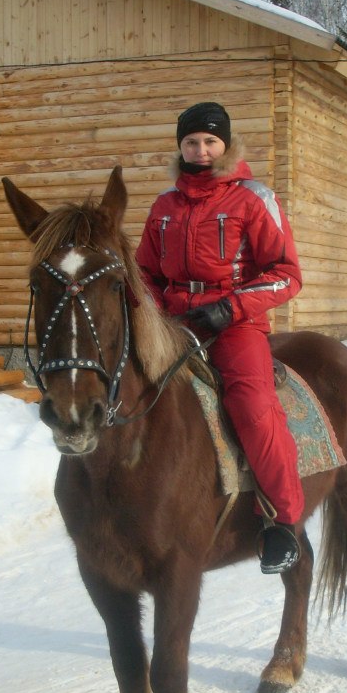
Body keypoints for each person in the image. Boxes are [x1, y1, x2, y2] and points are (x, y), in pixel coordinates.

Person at [135, 101, 305, 573]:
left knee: (252, 407)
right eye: (192, 142)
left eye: (210, 141)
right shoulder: (165, 206)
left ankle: (281, 522)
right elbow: (143, 271)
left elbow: (286, 274)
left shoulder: (253, 198)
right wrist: (154, 311)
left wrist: (229, 307)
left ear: (226, 146)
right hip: (172, 323)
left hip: (236, 323)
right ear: (181, 147)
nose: (201, 150)